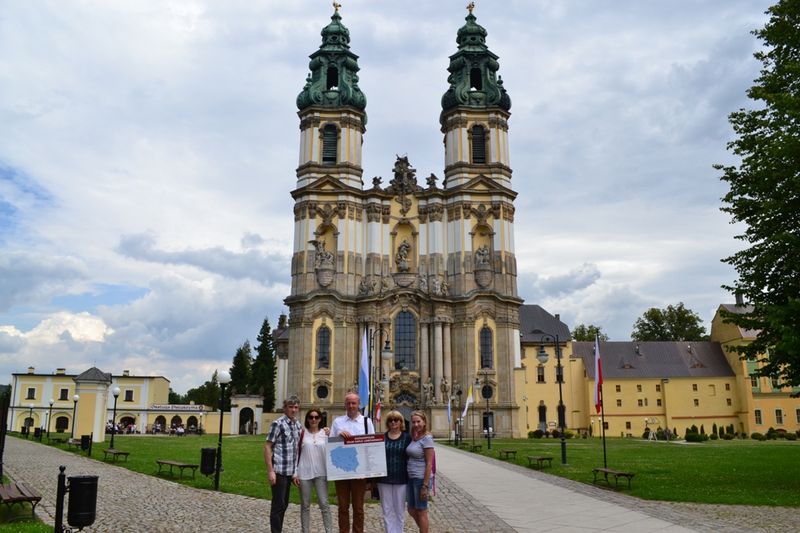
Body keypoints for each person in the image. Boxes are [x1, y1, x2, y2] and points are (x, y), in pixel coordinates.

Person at [330, 392, 375, 533]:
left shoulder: (367, 422)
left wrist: (368, 472)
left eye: (353, 403)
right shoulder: (338, 422)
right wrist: (338, 436)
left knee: (358, 507)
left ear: (358, 404)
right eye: (348, 403)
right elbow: (330, 444)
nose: (351, 406)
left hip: (359, 472)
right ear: (345, 405)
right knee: (342, 506)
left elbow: (372, 446)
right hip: (341, 470)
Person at [264, 395, 302, 533]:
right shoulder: (278, 424)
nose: (293, 410)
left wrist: (295, 472)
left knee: (284, 504)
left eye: (296, 407)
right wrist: (270, 471)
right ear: (285, 408)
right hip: (279, 470)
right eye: (291, 407)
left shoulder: (297, 425)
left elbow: (298, 449)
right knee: (278, 505)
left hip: (290, 472)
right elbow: (268, 446)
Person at [293, 408, 333, 533]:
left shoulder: (326, 433)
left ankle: (329, 531)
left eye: (316, 417)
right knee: (305, 505)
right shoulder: (302, 433)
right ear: (307, 419)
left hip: (321, 473)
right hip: (304, 473)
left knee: (324, 504)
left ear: (320, 419)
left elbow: (333, 451)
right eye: (311, 417)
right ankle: (305, 531)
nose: (313, 419)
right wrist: (295, 473)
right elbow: (296, 453)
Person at [376, 411, 411, 533]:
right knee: (387, 510)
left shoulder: (407, 438)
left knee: (399, 510)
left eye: (396, 420)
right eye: (390, 420)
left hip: (401, 478)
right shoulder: (381, 438)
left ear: (401, 422)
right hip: (384, 478)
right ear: (387, 423)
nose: (393, 422)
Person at [406, 410, 434, 533]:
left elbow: (429, 463)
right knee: (411, 509)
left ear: (424, 422)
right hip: (411, 477)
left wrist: (425, 485)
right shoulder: (415, 436)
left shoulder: (427, 438)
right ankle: (424, 530)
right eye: (414, 422)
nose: (416, 424)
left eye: (418, 421)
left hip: (421, 479)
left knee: (421, 511)